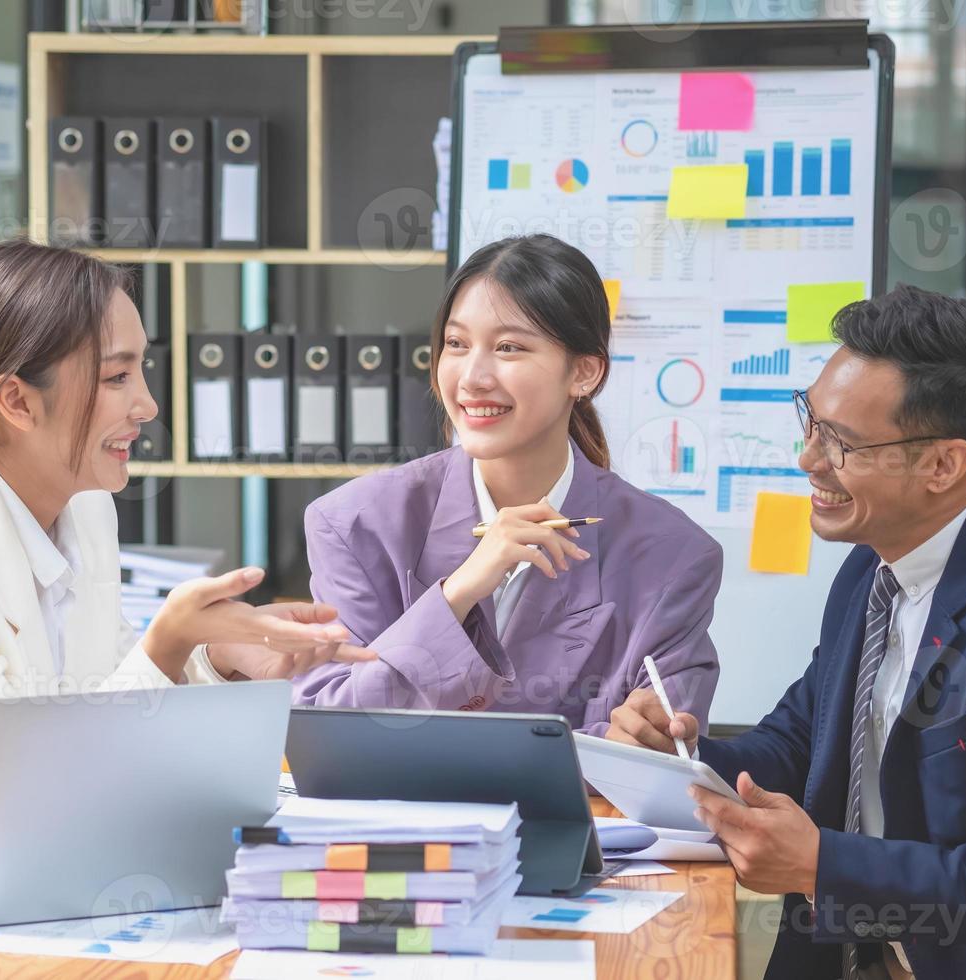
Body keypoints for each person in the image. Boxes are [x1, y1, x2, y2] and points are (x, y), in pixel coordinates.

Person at [0, 240, 373, 980]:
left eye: (140, 369)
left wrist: (216, 657)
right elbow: (29, 793)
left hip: (43, 924)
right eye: (117, 377)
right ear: (16, 399)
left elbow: (107, 701)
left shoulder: (84, 511)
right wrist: (163, 648)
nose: (146, 404)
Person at [606, 285, 966, 979]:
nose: (808, 460)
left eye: (841, 443)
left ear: (943, 464)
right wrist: (680, 755)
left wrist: (824, 865)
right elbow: (800, 741)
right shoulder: (868, 571)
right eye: (810, 422)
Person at [293, 234, 722, 733]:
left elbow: (655, 755)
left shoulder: (674, 556)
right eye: (456, 344)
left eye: (508, 347)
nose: (472, 377)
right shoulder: (354, 524)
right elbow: (329, 727)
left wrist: (646, 744)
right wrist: (457, 593)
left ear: (583, 372)